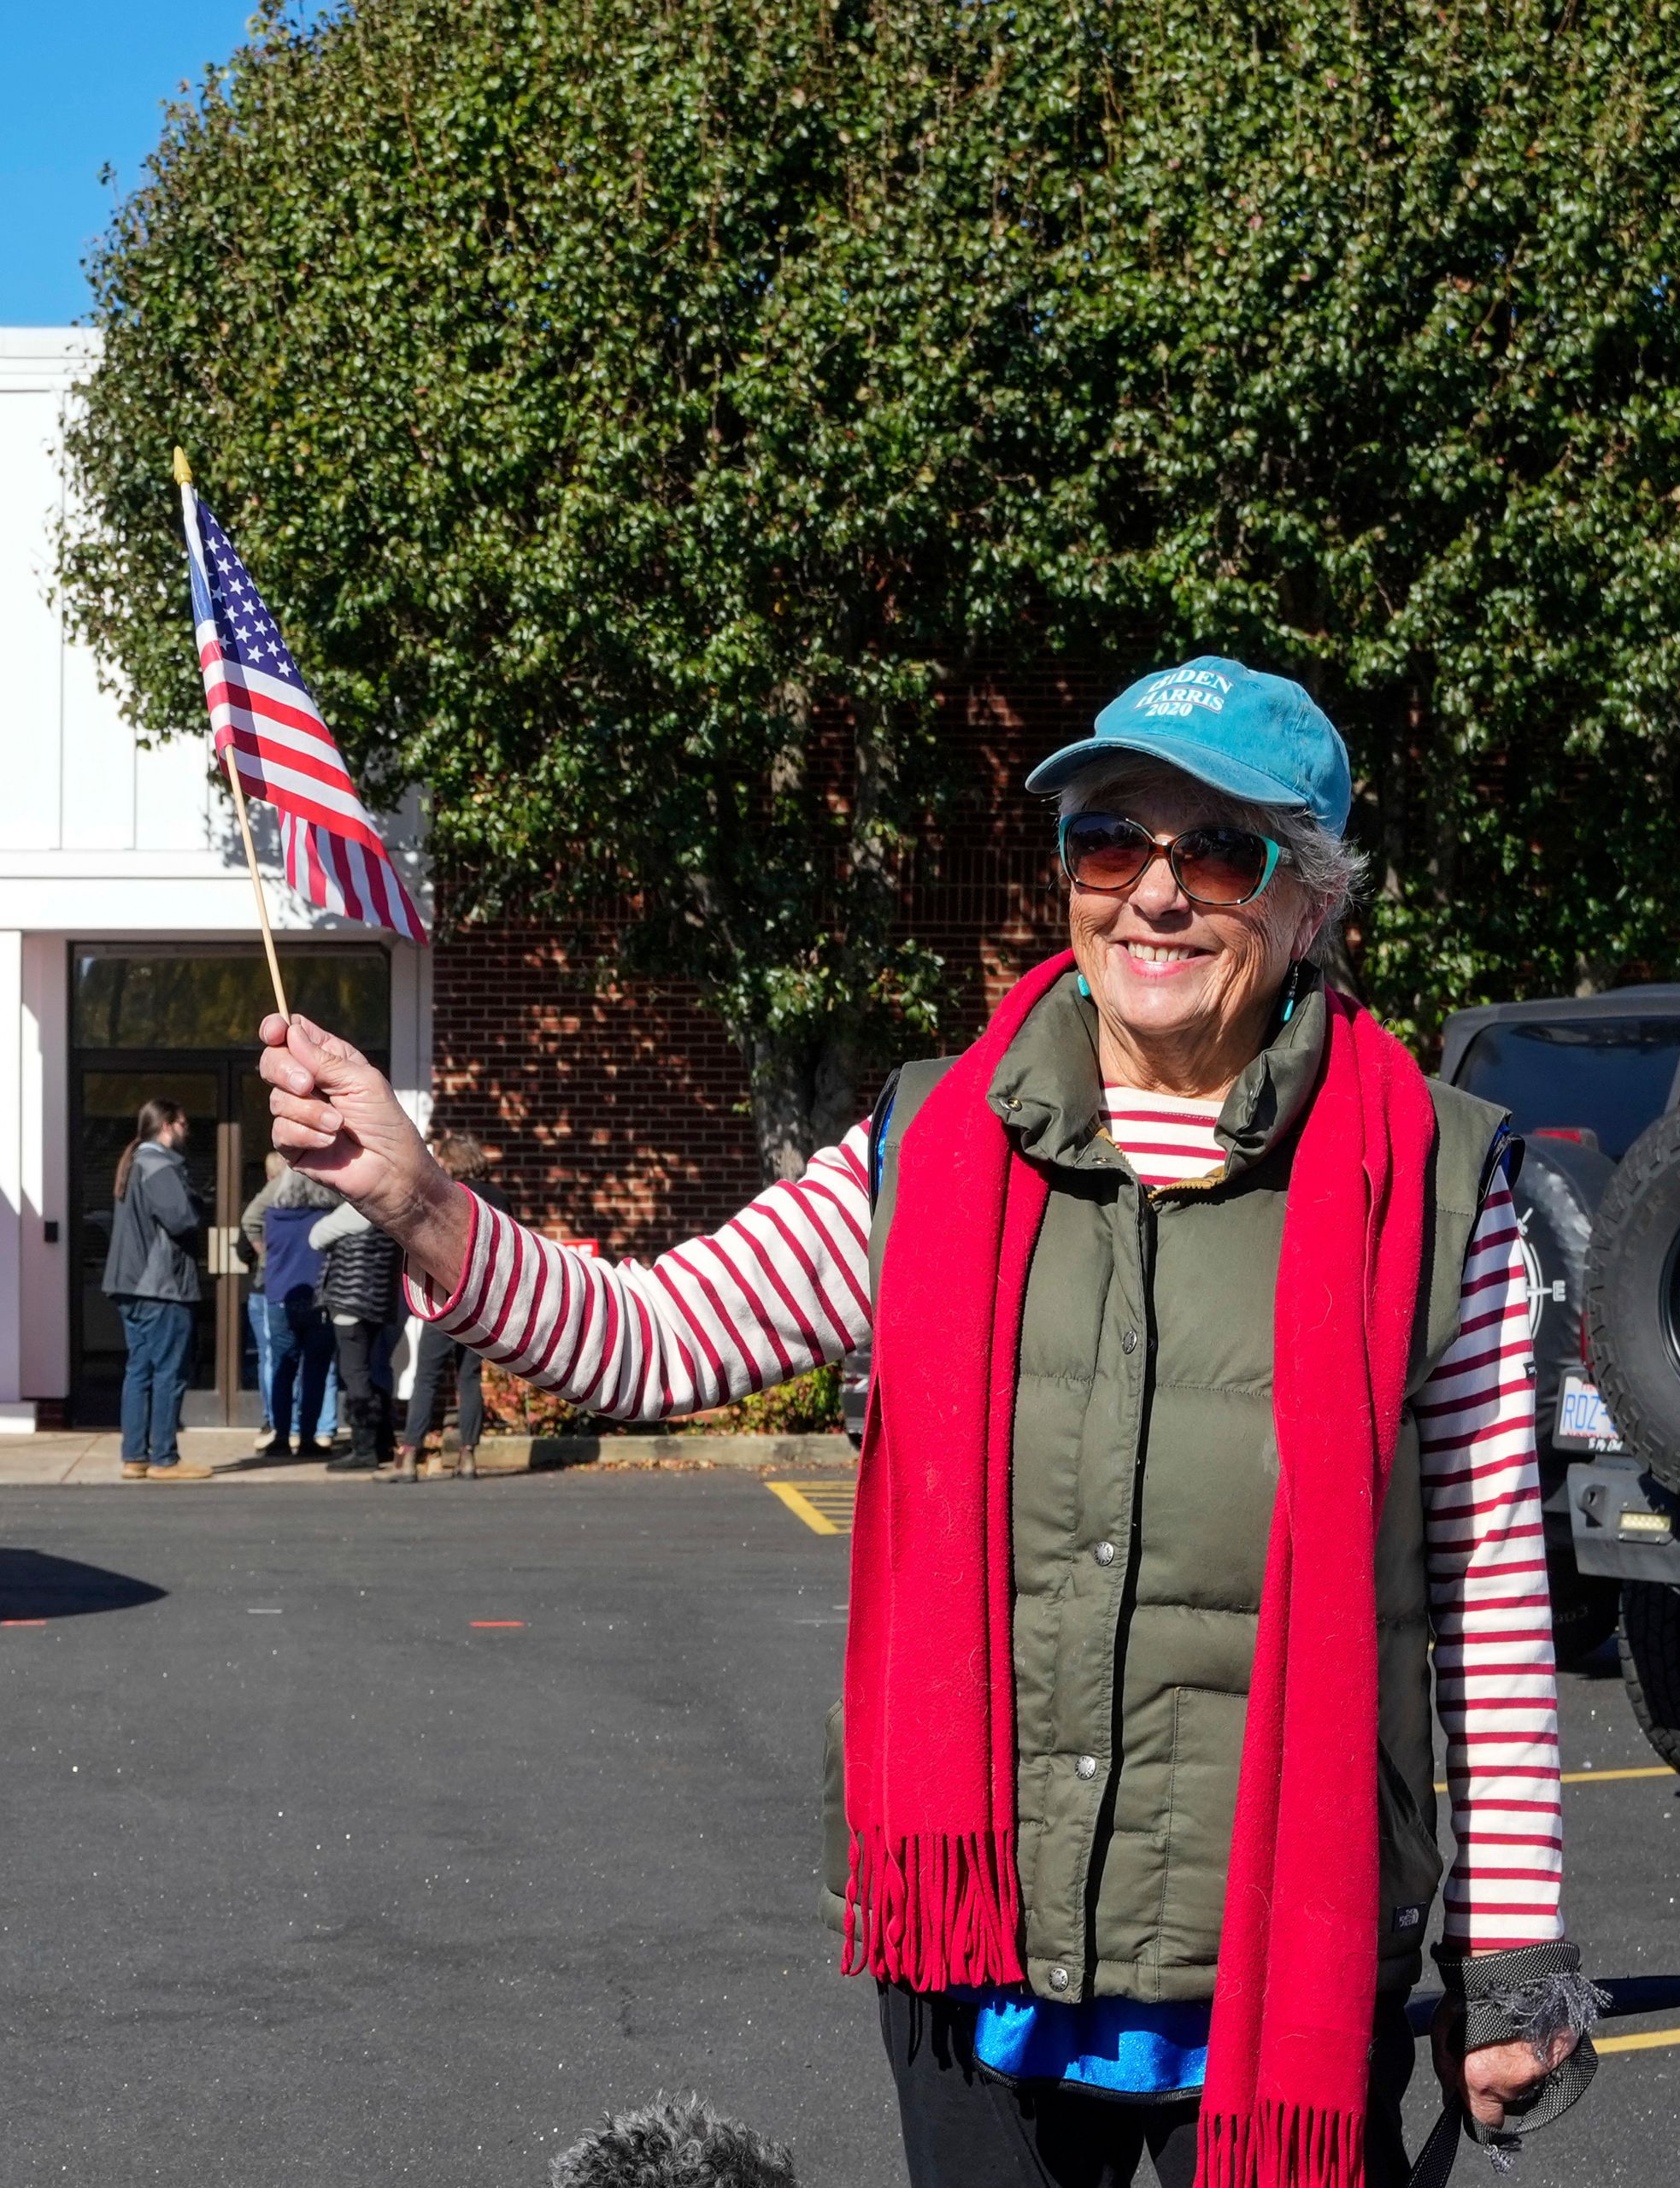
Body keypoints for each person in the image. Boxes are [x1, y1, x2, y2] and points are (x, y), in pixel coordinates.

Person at [261, 658, 1590, 2188]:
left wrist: (1516, 1966)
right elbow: (656, 1337)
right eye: (1110, 840)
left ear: (1312, 906)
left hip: (1282, 1969)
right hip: (982, 1963)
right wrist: (419, 1200)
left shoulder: (1432, 1182)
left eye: (1219, 851)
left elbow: (1488, 1589)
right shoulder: (922, 1145)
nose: (1155, 894)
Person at [103, 1098, 211, 1482]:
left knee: (140, 1371)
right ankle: (165, 1457)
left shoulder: (136, 1162)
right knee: (168, 1372)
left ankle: (135, 1457)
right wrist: (199, 1203)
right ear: (167, 1124)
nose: (186, 1131)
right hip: (161, 1287)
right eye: (183, 1124)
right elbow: (181, 1219)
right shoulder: (159, 1165)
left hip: (132, 1286)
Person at [401, 1134, 499, 1478]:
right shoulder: (499, 1197)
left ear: (452, 1162)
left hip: (447, 1296)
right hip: (483, 1300)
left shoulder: (448, 1195)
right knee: (469, 1376)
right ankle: (469, 1457)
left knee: (427, 1376)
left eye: (441, 1159)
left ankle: (410, 1455)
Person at [242, 1150, 344, 1461]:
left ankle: (281, 1435)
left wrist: (264, 1255)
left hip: (280, 1297)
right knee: (315, 1370)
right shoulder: (327, 1218)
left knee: (283, 1368)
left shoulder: (273, 1217)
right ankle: (310, 1437)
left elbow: (250, 1221)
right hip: (319, 1299)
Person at [308, 1192, 405, 1475]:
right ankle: (382, 1440)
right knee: (374, 1369)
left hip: (350, 1302)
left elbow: (315, 1236)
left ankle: (363, 1449)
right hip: (379, 1303)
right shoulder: (393, 1213)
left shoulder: (358, 1210)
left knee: (355, 1374)